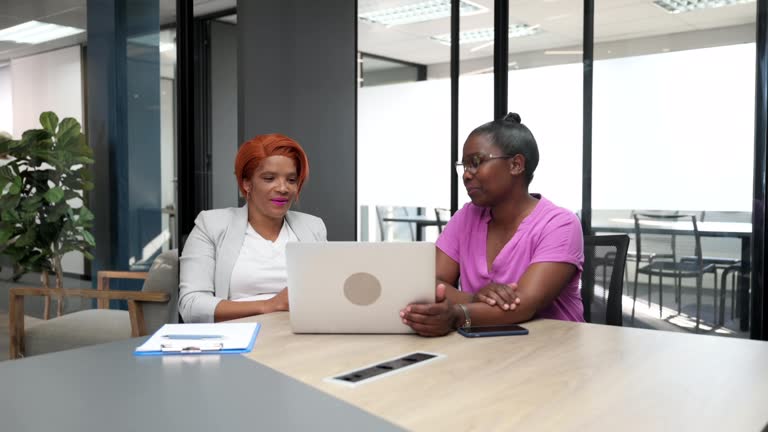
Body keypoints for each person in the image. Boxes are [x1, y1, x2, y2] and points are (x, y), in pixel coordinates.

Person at [400, 113, 584, 336]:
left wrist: (458, 314)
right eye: (464, 165)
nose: (466, 175)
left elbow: (524, 304)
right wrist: (474, 298)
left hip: (550, 349)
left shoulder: (560, 224)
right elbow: (431, 282)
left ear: (516, 165)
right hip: (480, 347)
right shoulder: (466, 216)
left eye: (476, 162)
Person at [179, 133, 326, 323]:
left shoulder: (313, 227)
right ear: (247, 183)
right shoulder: (211, 225)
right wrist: (268, 306)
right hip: (237, 338)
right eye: (269, 178)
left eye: (291, 180)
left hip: (301, 335)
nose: (283, 188)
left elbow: (327, 293)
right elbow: (191, 304)